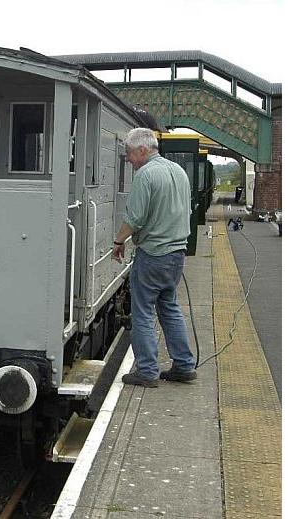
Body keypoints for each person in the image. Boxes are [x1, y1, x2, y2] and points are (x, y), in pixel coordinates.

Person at [113, 128, 197, 387]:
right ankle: (184, 365)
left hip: (153, 255)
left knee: (143, 313)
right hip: (176, 255)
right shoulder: (178, 171)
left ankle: (147, 371)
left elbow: (135, 218)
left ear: (141, 150)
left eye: (128, 153)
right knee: (170, 308)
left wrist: (118, 241)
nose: (128, 159)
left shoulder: (146, 174)